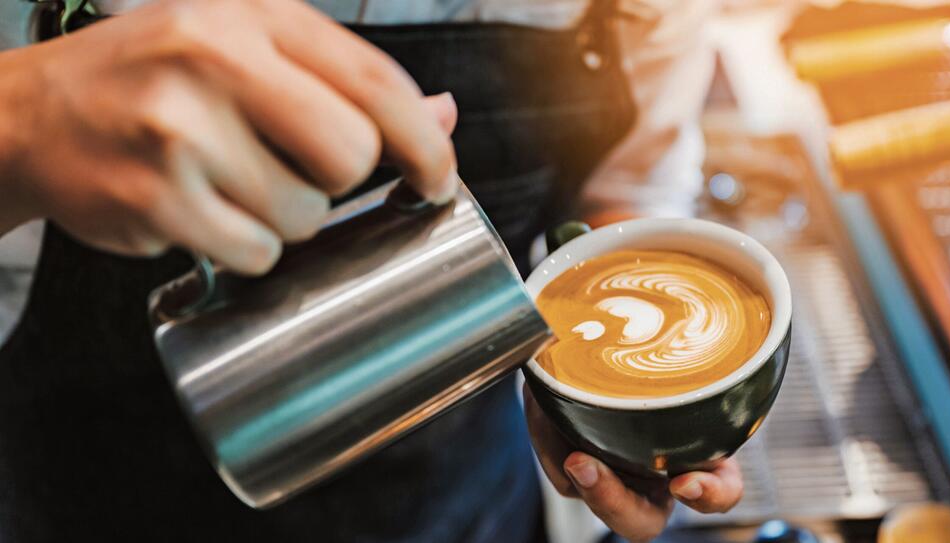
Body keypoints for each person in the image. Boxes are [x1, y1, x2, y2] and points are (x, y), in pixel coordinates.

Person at [0, 0, 743, 541]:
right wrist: (24, 121)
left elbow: (623, 192)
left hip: (457, 502)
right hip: (78, 487)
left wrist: (608, 402)